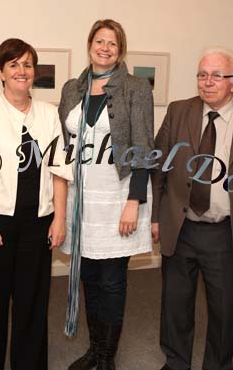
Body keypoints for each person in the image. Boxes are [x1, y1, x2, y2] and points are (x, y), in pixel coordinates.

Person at [0, 38, 71, 370]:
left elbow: (59, 171)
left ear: (35, 72)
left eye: (28, 65)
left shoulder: (49, 114)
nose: (22, 71)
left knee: (32, 306)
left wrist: (59, 218)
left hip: (38, 223)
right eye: (14, 65)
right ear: (1, 72)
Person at [151, 47, 233, 370]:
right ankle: (176, 362)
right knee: (175, 303)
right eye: (202, 75)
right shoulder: (178, 112)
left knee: (224, 307)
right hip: (181, 225)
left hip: (226, 231)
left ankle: (218, 365)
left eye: (217, 76)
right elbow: (159, 166)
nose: (207, 82)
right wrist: (155, 217)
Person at [58, 19, 154, 370]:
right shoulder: (72, 88)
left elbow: (144, 146)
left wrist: (134, 202)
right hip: (80, 199)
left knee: (112, 279)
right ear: (89, 45)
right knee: (89, 278)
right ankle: (95, 351)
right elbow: (63, 147)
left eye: (112, 43)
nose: (105, 48)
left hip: (119, 196)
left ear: (120, 49)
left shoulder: (136, 87)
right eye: (99, 41)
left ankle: (107, 359)